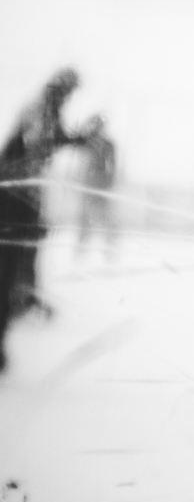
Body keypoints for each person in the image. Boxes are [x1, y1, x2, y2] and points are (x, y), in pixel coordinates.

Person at [0, 67, 80, 371]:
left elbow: (46, 144)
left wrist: (78, 137)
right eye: (69, 92)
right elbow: (35, 149)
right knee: (11, 265)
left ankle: (25, 298)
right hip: (13, 200)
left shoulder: (44, 109)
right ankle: (21, 301)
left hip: (20, 199)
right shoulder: (41, 110)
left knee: (20, 259)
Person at [73, 114, 118, 259]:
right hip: (88, 185)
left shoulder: (107, 144)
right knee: (85, 219)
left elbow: (111, 168)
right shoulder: (87, 143)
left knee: (103, 218)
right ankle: (81, 250)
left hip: (99, 187)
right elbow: (82, 164)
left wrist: (106, 184)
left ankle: (109, 249)